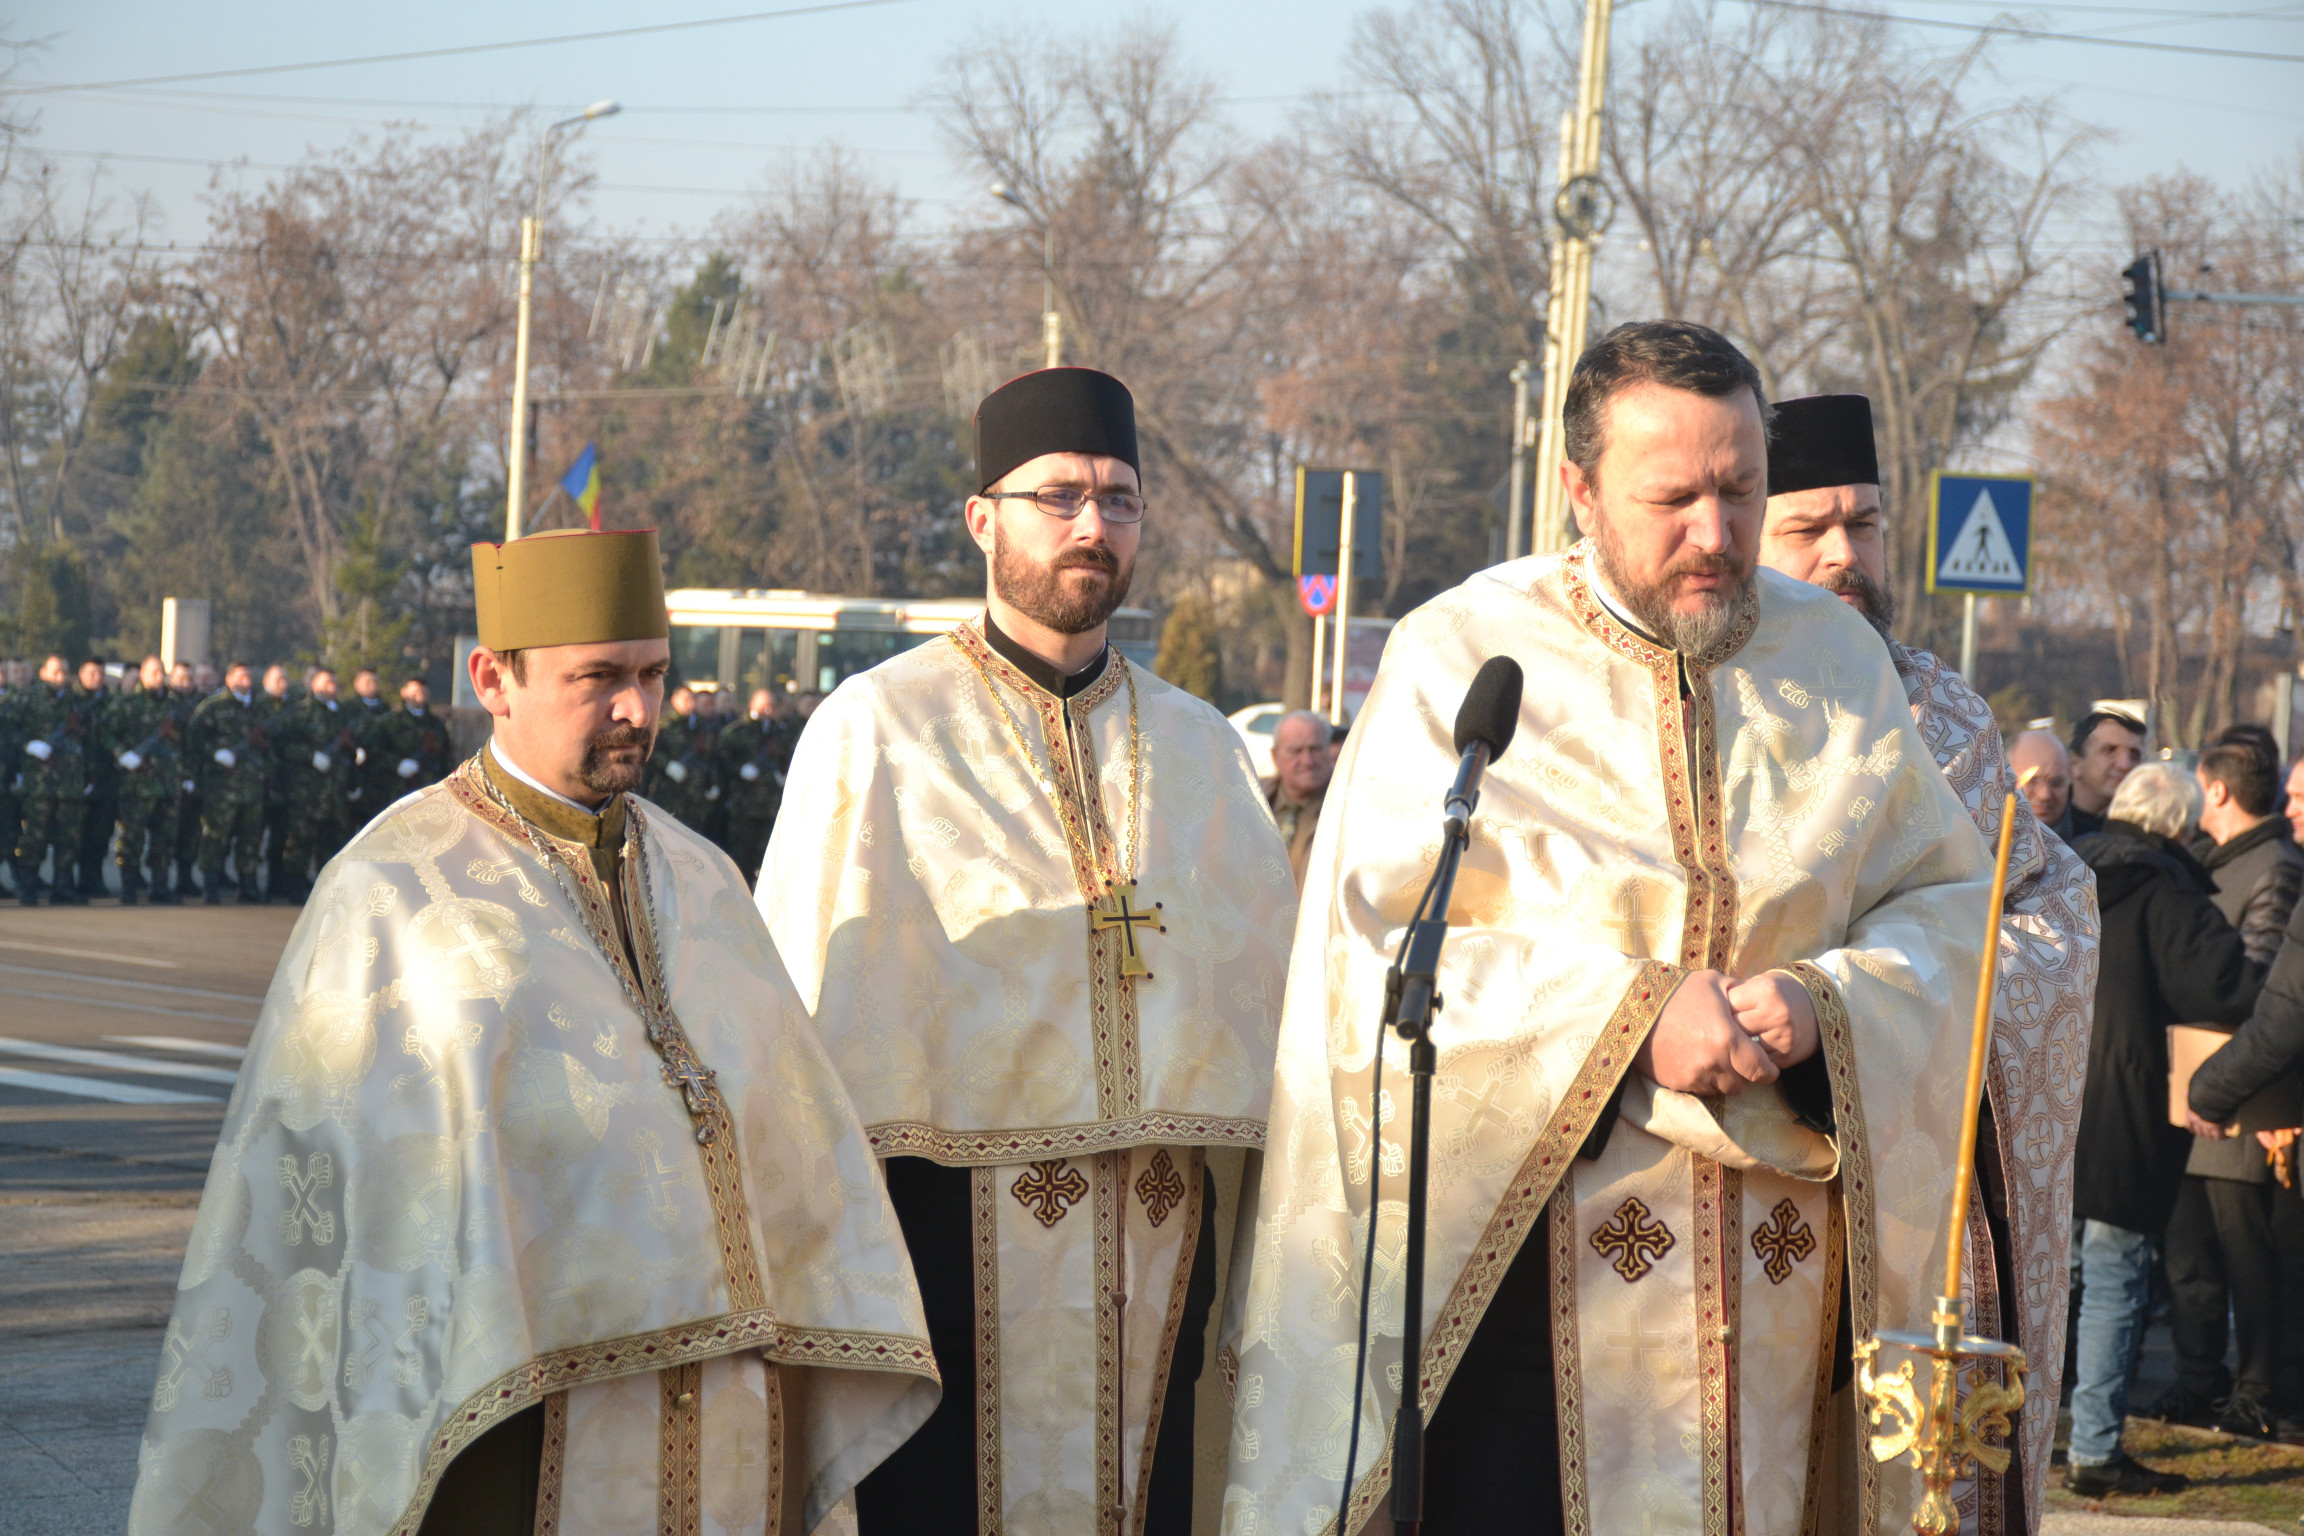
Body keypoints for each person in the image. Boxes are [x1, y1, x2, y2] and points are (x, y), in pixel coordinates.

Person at [1229, 322, 1999, 1535]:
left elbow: (1950, 908)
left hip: (1780, 1307)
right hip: (1527, 1310)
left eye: (1742, 491)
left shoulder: (1838, 661)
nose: (1717, 532)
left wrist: (1827, 1000)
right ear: (1580, 493)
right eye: (1675, 497)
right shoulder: (1461, 661)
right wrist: (1631, 1014)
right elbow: (1378, 956)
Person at [131, 526, 939, 1536]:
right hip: (520, 1424)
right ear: (492, 680)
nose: (638, 710)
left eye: (653, 674)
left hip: (729, 1422)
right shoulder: (392, 892)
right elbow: (336, 1213)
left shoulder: (705, 879)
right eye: (597, 677)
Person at [760, 366, 1296, 1535]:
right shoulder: (878, 726)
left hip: (1156, 1251)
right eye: (1059, 497)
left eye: (1120, 498)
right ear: (983, 518)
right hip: (945, 1249)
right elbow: (802, 1026)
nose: (1093, 525)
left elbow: (1276, 1020)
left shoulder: (1202, 749)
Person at [1756, 392, 2100, 1525]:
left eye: (1862, 522)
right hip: (1757, 1168)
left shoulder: (1943, 709)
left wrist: (1885, 996)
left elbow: (2047, 907)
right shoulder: (1717, 708)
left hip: (1923, 1198)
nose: (1842, 555)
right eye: (1807, 528)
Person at [2066, 762, 2264, 1494]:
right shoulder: (2167, 887)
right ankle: (2094, 1450)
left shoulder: (2064, 869)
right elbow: (2224, 986)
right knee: (2117, 1278)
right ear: (2177, 825)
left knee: (2064, 1277)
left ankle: (2037, 1432)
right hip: (2130, 1106)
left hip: (2058, 1100)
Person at [2146, 742, 2304, 1438]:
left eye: (2300, 798)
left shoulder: (2276, 869)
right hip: (2201, 1083)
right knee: (2192, 1253)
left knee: (2252, 1260)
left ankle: (2259, 1392)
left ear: (2214, 791)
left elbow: (2269, 999)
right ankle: (2200, 1381)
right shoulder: (2208, 862)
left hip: (2244, 1096)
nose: (2289, 808)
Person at [102, 655, 188, 905]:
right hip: (138, 783)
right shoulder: (129, 704)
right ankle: (129, 887)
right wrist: (122, 754)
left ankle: (159, 886)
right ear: (142, 675)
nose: (159, 677)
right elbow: (105, 731)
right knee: (132, 838)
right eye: (153, 672)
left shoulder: (174, 704)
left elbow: (189, 737)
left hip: (168, 781)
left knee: (165, 838)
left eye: (162, 672)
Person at [12, 653, 93, 905]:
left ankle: (63, 888)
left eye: (64, 672)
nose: (60, 677)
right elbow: (8, 729)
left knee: (68, 838)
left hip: (70, 782)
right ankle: (27, 887)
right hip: (41, 782)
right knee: (35, 837)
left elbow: (89, 738)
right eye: (55, 671)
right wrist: (28, 744)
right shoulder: (27, 699)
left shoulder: (76, 702)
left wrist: (88, 775)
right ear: (43, 673)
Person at [189, 661, 271, 902]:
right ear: (229, 679)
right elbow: (194, 738)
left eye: (248, 677)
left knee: (251, 837)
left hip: (252, 784)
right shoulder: (213, 707)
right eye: (241, 677)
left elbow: (270, 743)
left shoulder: (259, 707)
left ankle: (248, 886)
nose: (246, 681)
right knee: (215, 836)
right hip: (222, 786)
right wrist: (216, 753)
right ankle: (210, 886)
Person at [276, 666, 359, 901]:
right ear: (313, 686)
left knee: (333, 842)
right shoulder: (300, 712)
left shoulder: (343, 714)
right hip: (307, 790)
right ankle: (294, 890)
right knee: (301, 840)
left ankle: (327, 892)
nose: (330, 687)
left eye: (333, 683)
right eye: (324, 683)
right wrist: (310, 756)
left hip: (336, 790)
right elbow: (283, 746)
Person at [714, 686, 790, 885]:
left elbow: (789, 756)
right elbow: (722, 758)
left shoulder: (780, 731)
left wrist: (782, 773)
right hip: (744, 805)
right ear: (752, 705)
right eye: (763, 705)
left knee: (768, 858)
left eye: (771, 706)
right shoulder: (737, 730)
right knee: (741, 859)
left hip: (771, 804)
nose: (767, 710)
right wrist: (740, 770)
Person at [1259, 709, 1335, 891]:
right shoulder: (1247, 802)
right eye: (1296, 751)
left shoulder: (1349, 810)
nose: (1307, 761)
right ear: (1275, 756)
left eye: (1315, 749)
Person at [645, 682, 714, 829]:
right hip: (670, 793)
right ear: (674, 700)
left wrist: (712, 782)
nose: (689, 703)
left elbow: (711, 757)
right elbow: (651, 752)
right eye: (685, 699)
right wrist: (667, 765)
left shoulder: (702, 726)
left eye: (692, 699)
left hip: (695, 795)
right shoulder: (664, 725)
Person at [75, 657, 117, 897]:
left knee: (102, 832)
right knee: (78, 833)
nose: (96, 677)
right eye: (91, 673)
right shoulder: (71, 702)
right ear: (81, 674)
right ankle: (76, 880)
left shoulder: (110, 702)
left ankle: (95, 877)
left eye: (100, 673)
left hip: (106, 776)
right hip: (76, 776)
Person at [2069, 709, 2146, 839]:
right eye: (2110, 750)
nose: (2125, 765)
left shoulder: (2153, 831)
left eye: (2134, 755)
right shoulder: (2047, 834)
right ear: (2075, 763)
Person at [380, 677, 453, 793]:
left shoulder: (436, 724)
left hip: (431, 788)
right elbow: (378, 751)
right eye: (415, 691)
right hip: (397, 789)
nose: (419, 695)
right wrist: (397, 764)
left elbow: (447, 755)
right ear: (404, 693)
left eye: (423, 691)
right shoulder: (390, 721)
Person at [2009, 729, 2077, 841]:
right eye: (2033, 781)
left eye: (2056, 783)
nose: (2044, 795)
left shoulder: (2094, 850)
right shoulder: (1980, 845)